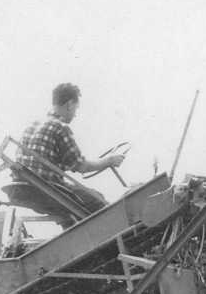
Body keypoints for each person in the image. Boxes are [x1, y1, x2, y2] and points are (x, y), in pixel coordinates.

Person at [10, 82, 125, 222]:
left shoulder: (33, 124)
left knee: (72, 215)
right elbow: (80, 166)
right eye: (76, 108)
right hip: (45, 189)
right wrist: (109, 161)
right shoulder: (60, 127)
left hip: (21, 188)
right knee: (97, 200)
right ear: (70, 104)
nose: (75, 114)